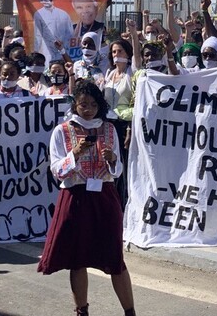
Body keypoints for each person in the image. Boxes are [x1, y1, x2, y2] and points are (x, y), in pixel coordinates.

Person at [37, 81, 136, 316]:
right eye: (83, 104)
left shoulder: (109, 129)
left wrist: (112, 159)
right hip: (76, 197)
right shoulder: (62, 131)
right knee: (77, 258)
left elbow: (118, 170)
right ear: (75, 105)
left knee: (114, 258)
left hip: (104, 196)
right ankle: (82, 310)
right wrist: (75, 154)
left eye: (93, 104)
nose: (88, 109)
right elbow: (57, 170)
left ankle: (130, 311)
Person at [102, 40, 135, 208]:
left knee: (123, 165)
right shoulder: (109, 73)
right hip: (109, 125)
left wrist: (133, 35)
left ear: (128, 54)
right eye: (114, 52)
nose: (116, 55)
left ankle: (124, 206)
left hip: (125, 126)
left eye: (120, 51)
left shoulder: (131, 73)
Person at [33, 0, 74, 64]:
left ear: (51, 1)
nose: (44, 2)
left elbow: (70, 32)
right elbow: (37, 34)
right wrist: (35, 52)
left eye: (46, 0)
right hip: (47, 49)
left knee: (63, 68)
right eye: (42, 1)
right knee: (48, 68)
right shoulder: (38, 14)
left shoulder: (63, 14)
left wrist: (65, 47)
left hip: (62, 48)